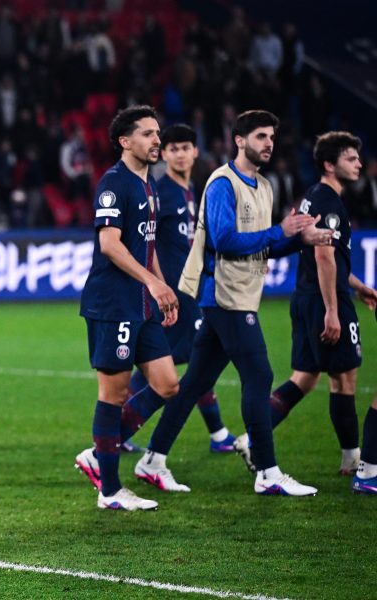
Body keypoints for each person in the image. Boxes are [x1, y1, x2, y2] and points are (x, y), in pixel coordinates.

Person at [131, 110, 332, 496]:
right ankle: (268, 472)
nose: (268, 143)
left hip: (241, 296)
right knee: (259, 376)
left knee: (193, 383)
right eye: (260, 136)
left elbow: (262, 245)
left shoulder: (265, 186)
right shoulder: (222, 183)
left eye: (271, 137)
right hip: (224, 296)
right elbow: (223, 240)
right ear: (239, 141)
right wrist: (279, 231)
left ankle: (152, 459)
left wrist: (298, 240)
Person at [73, 105, 181, 511]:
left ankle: (98, 453)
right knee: (114, 394)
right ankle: (110, 490)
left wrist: (162, 289)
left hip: (142, 303)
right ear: (125, 141)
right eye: (148, 133)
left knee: (167, 384)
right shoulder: (114, 183)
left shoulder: (148, 185)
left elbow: (147, 245)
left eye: (158, 132)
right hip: (113, 303)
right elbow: (109, 244)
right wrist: (152, 282)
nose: (157, 140)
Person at [254, 132, 377, 476]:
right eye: (350, 158)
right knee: (344, 380)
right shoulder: (329, 202)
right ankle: (354, 459)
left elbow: (329, 258)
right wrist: (333, 311)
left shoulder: (313, 196)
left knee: (305, 378)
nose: (358, 164)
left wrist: (359, 287)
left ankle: (251, 439)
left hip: (305, 297)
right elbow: (324, 256)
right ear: (329, 165)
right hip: (324, 300)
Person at [120, 124, 237, 461]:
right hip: (171, 296)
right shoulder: (162, 193)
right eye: (173, 149)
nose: (180, 154)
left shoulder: (191, 191)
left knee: (169, 363)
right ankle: (216, 434)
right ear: (165, 155)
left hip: (188, 293)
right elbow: (144, 241)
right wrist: (156, 283)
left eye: (186, 148)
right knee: (192, 361)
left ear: (195, 152)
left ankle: (117, 431)